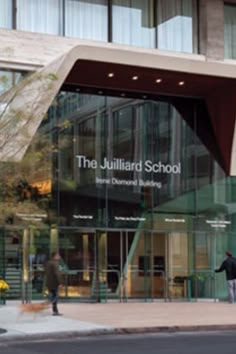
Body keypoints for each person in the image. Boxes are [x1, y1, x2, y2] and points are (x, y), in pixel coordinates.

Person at [45, 251, 63, 316]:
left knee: (52, 296)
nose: (59, 257)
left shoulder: (48, 263)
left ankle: (54, 310)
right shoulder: (55, 263)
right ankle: (54, 310)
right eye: (58, 255)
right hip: (55, 283)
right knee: (55, 297)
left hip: (49, 283)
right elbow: (57, 273)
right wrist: (60, 282)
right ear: (55, 256)